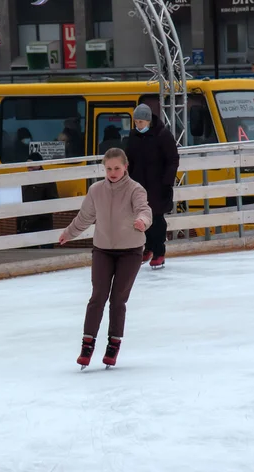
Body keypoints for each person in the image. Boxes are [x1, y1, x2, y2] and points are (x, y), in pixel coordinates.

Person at [59, 148, 152, 369]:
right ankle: (87, 345)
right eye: (108, 168)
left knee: (118, 299)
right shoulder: (96, 190)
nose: (112, 172)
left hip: (130, 250)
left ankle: (113, 345)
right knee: (97, 296)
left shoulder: (135, 190)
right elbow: (85, 217)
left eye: (117, 168)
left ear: (125, 167)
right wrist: (69, 233)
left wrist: (142, 221)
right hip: (102, 250)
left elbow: (144, 210)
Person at [125, 103, 180, 269]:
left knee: (156, 219)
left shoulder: (162, 136)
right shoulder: (134, 136)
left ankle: (159, 252)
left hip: (158, 186)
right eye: (136, 122)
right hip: (139, 186)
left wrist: (167, 182)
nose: (138, 125)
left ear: (148, 121)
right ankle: (148, 247)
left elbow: (172, 160)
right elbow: (129, 160)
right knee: (141, 218)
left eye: (141, 122)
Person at [16, 152, 59, 248]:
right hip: (26, 224)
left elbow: (53, 200)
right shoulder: (23, 178)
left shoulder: (47, 179)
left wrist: (39, 213)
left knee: (46, 252)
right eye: (27, 164)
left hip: (42, 224)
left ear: (39, 164)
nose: (28, 166)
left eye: (31, 164)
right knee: (28, 253)